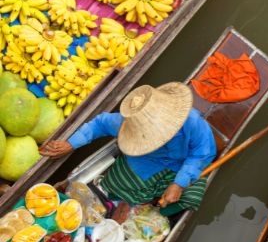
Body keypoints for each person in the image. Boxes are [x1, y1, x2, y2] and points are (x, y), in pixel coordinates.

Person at [40, 82, 217, 216]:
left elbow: (203, 153)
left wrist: (179, 183)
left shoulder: (193, 123)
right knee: (116, 185)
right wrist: (71, 144)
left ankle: (157, 213)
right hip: (145, 161)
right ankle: (132, 203)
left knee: (191, 197)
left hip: (182, 164)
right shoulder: (127, 124)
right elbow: (99, 124)